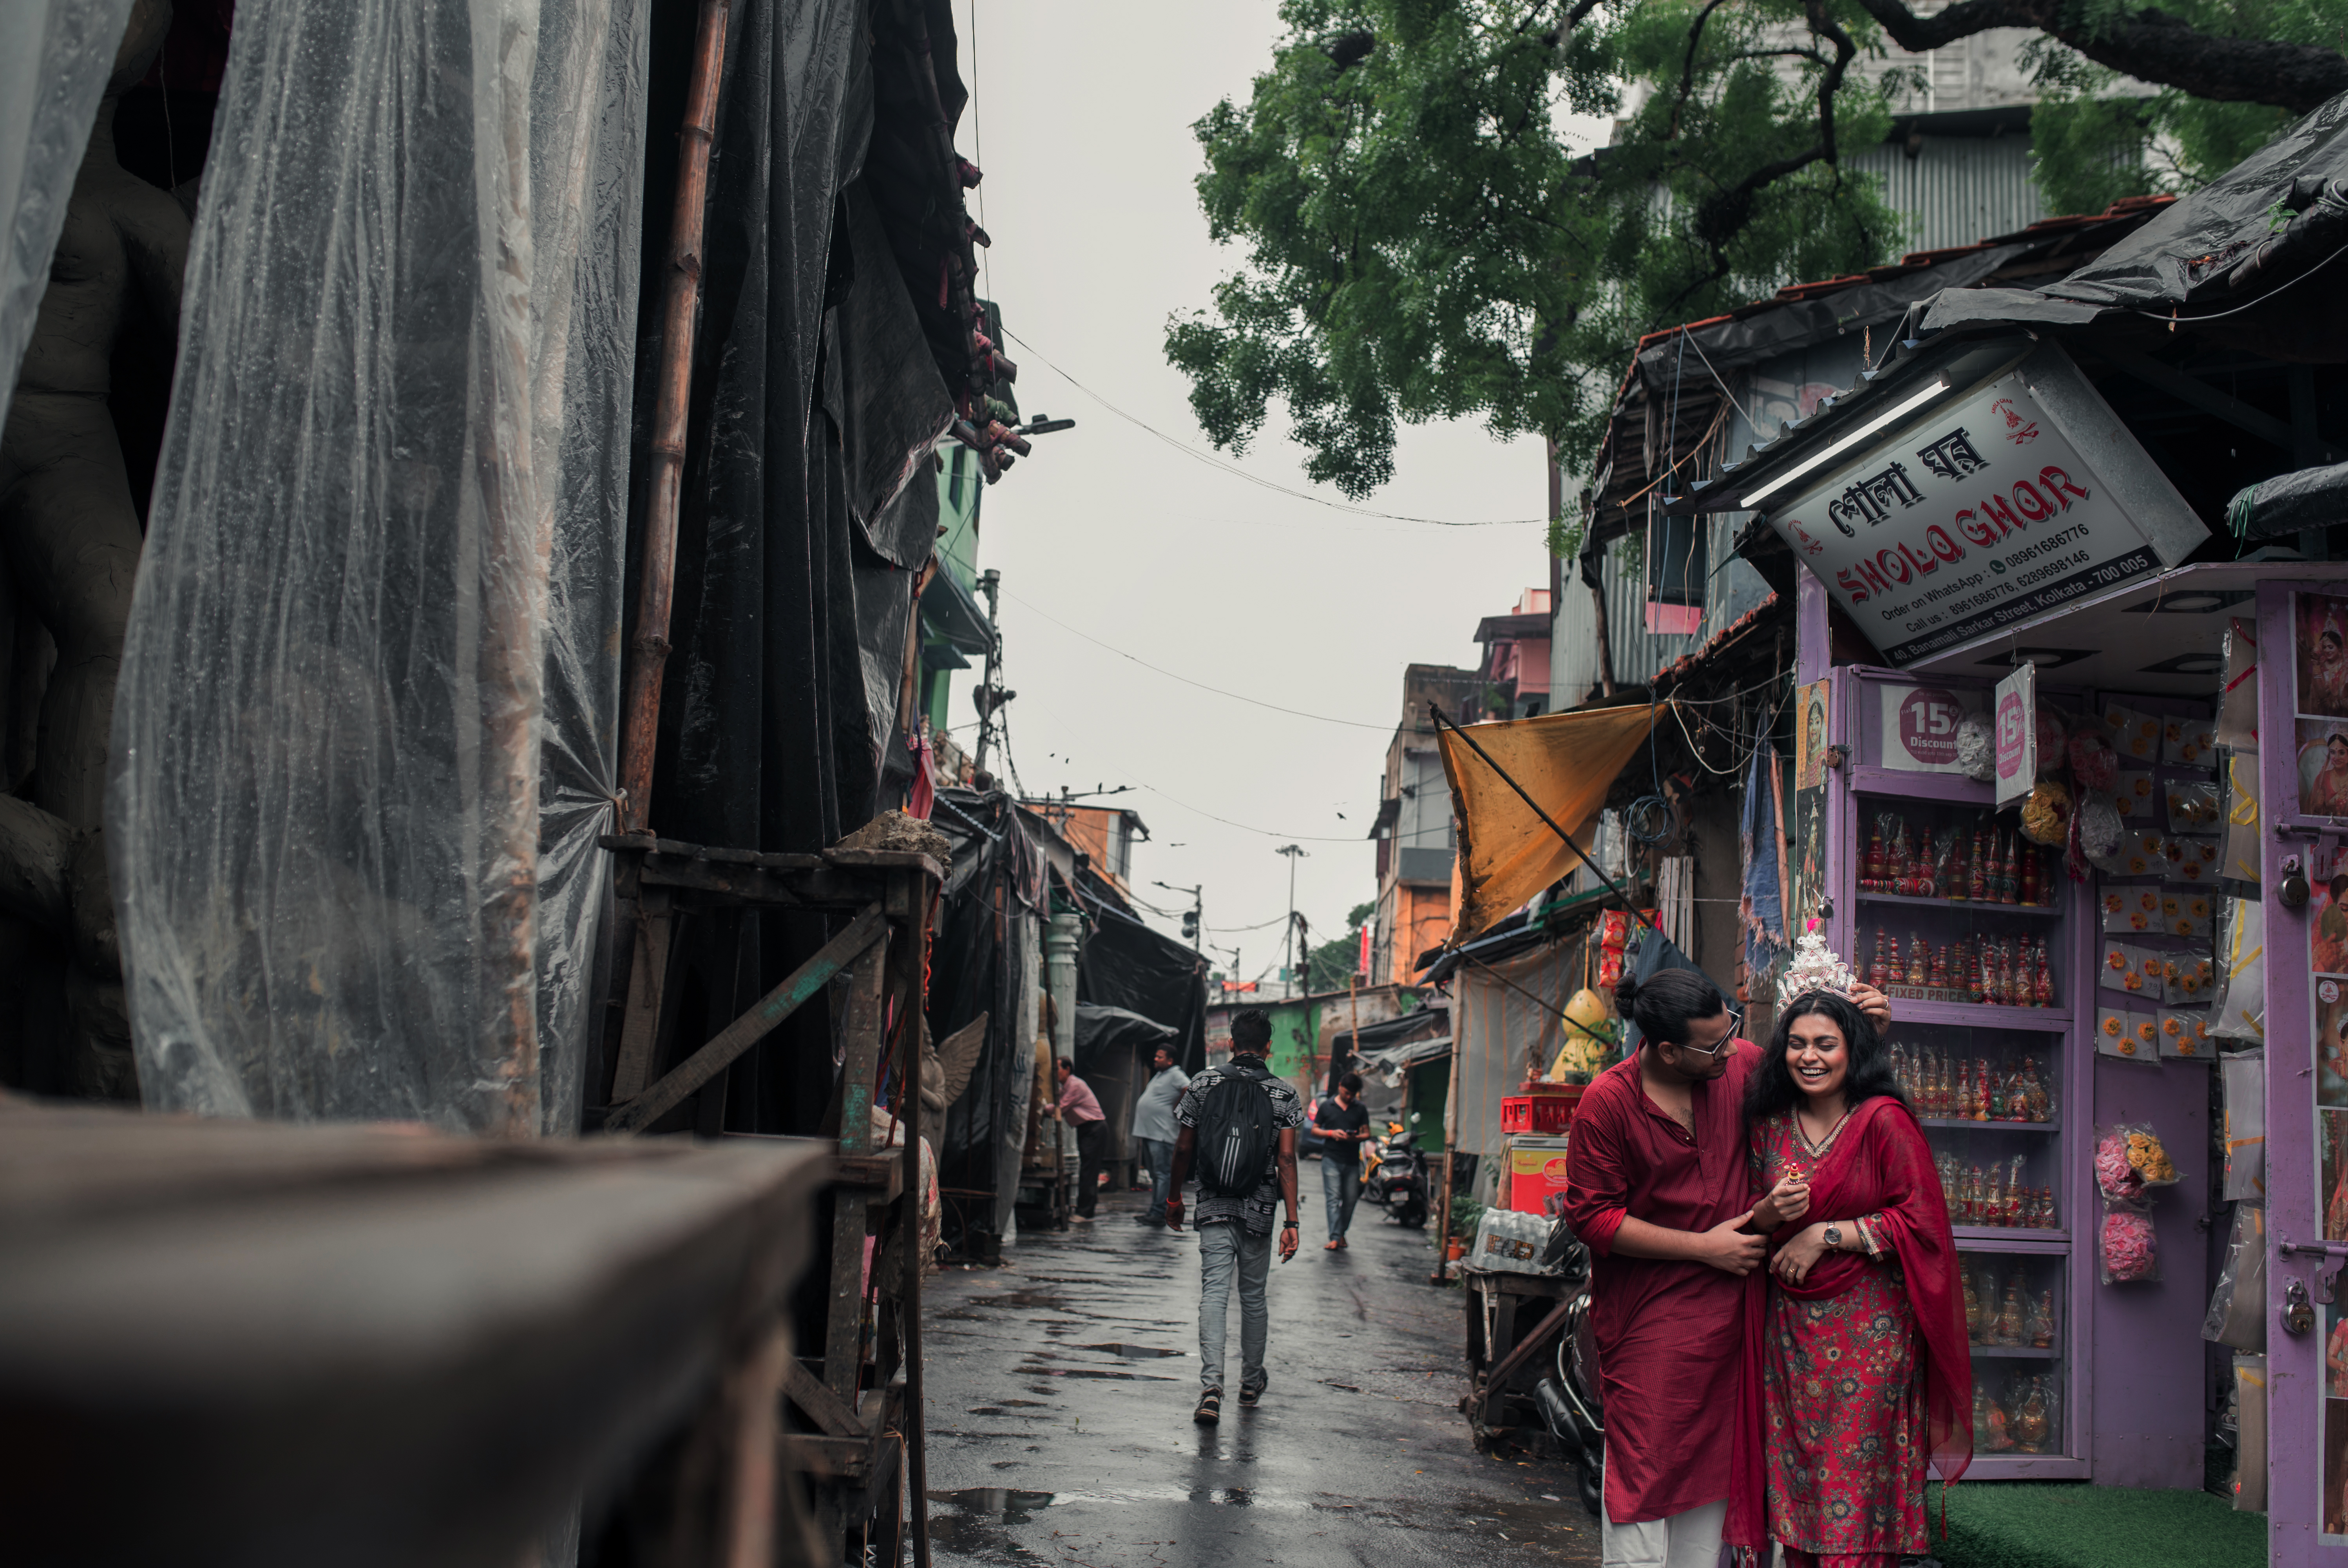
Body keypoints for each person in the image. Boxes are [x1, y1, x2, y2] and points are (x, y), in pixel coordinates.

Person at [1561, 959, 1891, 1568]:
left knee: (1716, 1469)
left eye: (1731, 1028)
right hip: (1650, 1315)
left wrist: (1864, 1029)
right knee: (1643, 1466)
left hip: (1738, 1311)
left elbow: (1817, 1078)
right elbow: (1593, 1218)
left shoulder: (1734, 1063)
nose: (1730, 1047)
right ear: (1665, 1050)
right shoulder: (1607, 1102)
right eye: (1712, 1042)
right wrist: (1704, 1246)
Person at [1726, 935, 1972, 1568]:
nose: (1809, 1057)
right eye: (1797, 1043)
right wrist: (1770, 1215)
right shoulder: (1768, 1124)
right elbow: (1749, 1222)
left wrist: (1824, 1232)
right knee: (1801, 1481)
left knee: (1855, 1485)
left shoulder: (1882, 1119)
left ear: (1851, 1049)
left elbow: (1921, 1222)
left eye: (1825, 1043)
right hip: (1790, 1337)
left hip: (1872, 1335)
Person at [1167, 1007, 1304, 1424]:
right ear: (1267, 1048)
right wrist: (1291, 1222)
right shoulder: (1283, 1093)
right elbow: (1285, 1158)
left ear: (1230, 1043)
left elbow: (1184, 1148)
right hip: (1259, 1208)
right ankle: (1249, 1382)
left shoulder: (1203, 1083)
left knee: (1213, 1292)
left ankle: (1211, 1388)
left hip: (1212, 1202)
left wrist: (1173, 1196)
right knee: (1252, 1296)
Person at [1310, 1071, 1372, 1250]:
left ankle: (1341, 1233)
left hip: (1352, 1161)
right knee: (1333, 1198)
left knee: (1351, 1199)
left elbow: (1367, 1133)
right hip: (1331, 1158)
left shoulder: (1360, 1109)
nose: (1349, 1097)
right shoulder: (1327, 1106)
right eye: (1347, 1093)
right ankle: (1335, 1237)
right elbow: (1315, 1130)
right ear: (1340, 1087)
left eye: (1353, 1095)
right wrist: (1332, 1133)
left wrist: (1355, 1138)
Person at [1130, 1044, 1191, 1228]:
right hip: (1151, 1133)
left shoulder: (1175, 1074)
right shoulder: (1161, 1075)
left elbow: (1188, 1088)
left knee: (1163, 1174)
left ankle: (1159, 1214)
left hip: (1162, 1134)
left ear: (1170, 1061)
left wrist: (1178, 1108)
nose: (1156, 1060)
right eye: (1156, 1056)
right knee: (1157, 1175)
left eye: (1160, 1057)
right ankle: (1154, 1211)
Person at [1052, 1057, 1108, 1223]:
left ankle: (1085, 1212)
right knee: (1088, 1169)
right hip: (1087, 1130)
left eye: (1058, 1069)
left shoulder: (1075, 1085)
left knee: (1088, 1171)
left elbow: (1061, 1108)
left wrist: (1043, 1109)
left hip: (1094, 1129)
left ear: (1067, 1069)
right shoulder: (1067, 1087)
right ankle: (1086, 1208)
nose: (1055, 1073)